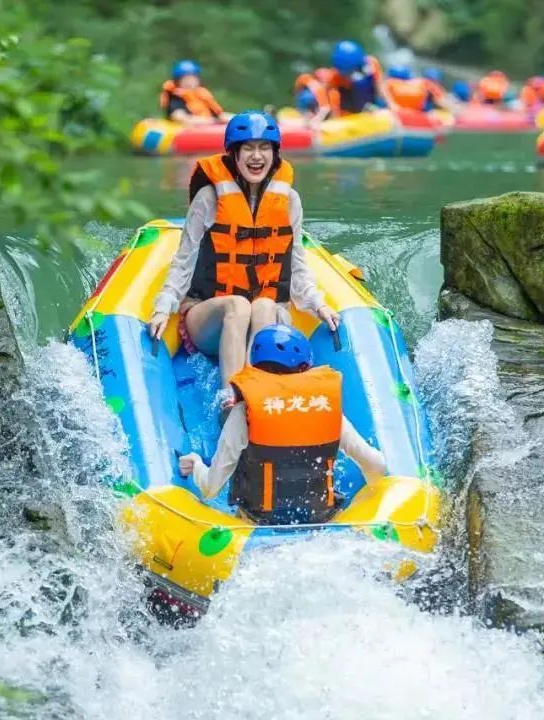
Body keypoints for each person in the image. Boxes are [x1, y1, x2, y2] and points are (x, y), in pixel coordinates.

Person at [148, 111, 340, 408]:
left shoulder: (289, 201)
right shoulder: (209, 198)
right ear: (234, 154)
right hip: (210, 316)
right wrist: (163, 307)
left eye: (264, 148)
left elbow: (296, 261)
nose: (256, 156)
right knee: (238, 305)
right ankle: (232, 400)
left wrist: (317, 303)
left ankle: (259, 395)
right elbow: (183, 259)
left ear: (275, 154)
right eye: (247, 148)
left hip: (264, 319)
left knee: (263, 304)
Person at [179, 324, 386, 525]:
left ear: (257, 367)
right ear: (304, 368)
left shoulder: (243, 413)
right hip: (322, 522)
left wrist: (197, 465)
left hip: (259, 526)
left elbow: (210, 489)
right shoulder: (323, 405)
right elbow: (376, 466)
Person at [329, 40, 393, 114]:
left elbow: (380, 86)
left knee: (362, 84)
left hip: (372, 103)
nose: (348, 76)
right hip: (350, 109)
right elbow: (332, 99)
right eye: (346, 74)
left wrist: (390, 105)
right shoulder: (335, 76)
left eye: (350, 72)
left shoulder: (371, 63)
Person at [160, 59, 232, 125]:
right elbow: (181, 118)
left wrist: (235, 119)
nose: (190, 82)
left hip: (208, 128)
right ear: (178, 82)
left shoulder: (201, 96)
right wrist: (215, 121)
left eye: (192, 79)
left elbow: (219, 115)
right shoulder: (176, 97)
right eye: (186, 79)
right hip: (188, 133)